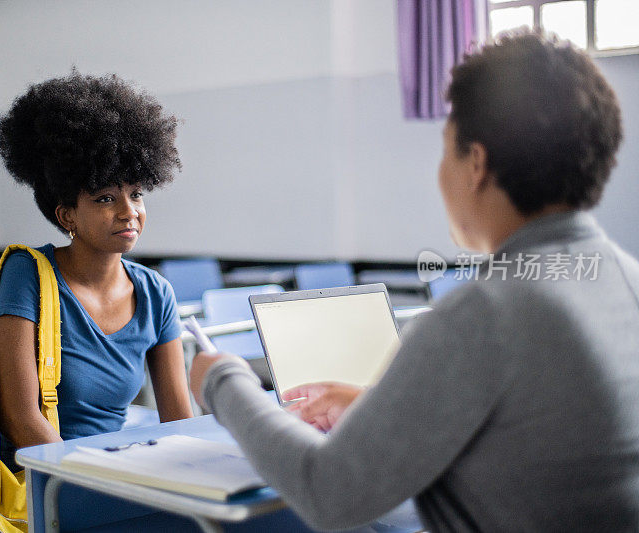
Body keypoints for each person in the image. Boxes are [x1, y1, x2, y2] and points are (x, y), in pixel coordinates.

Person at [190, 31, 638, 531]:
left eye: (445, 148)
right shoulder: (625, 279)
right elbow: (539, 432)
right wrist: (378, 408)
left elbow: (329, 490)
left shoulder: (484, 312)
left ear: (476, 163)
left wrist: (223, 383)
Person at [0, 72, 192, 470]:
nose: (129, 211)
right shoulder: (28, 274)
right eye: (105, 197)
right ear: (67, 214)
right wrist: (91, 482)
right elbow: (22, 420)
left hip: (114, 469)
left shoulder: (156, 293)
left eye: (135, 193)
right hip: (41, 478)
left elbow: (179, 421)